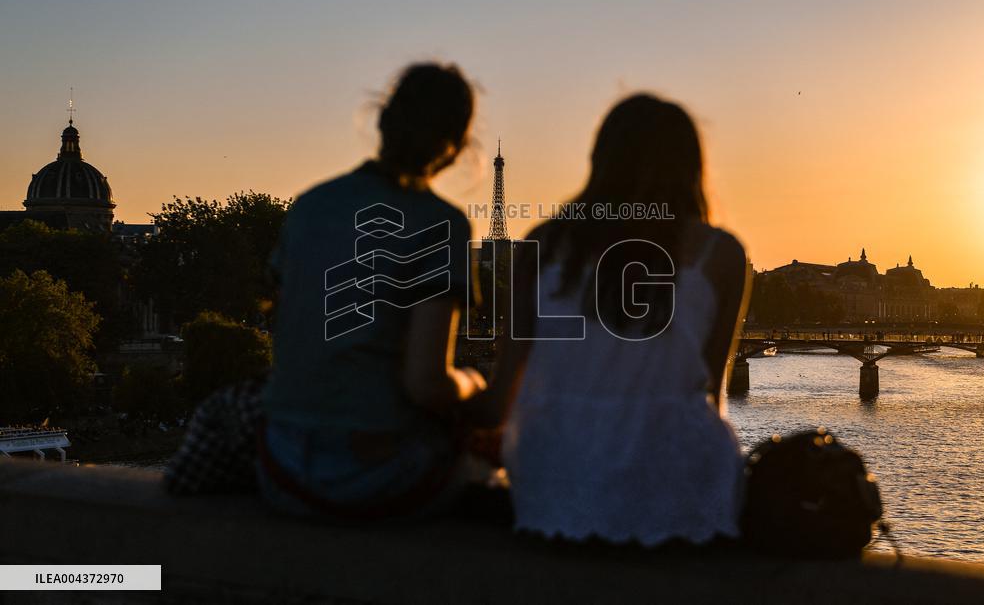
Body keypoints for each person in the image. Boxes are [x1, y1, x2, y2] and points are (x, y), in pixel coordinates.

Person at [475, 94, 751, 545]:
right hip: (676, 488)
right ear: (690, 168)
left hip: (551, 486)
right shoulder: (719, 253)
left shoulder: (542, 244)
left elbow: (499, 402)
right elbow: (709, 394)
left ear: (599, 160)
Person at [257, 63, 490, 518]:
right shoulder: (442, 223)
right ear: (458, 146)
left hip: (279, 463)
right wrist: (472, 383)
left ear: (382, 121)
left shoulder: (310, 205)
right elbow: (426, 385)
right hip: (367, 471)